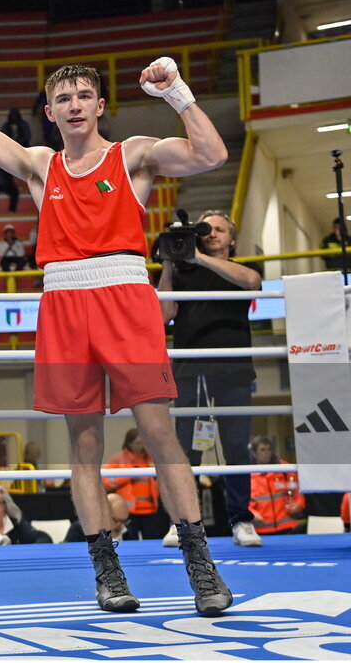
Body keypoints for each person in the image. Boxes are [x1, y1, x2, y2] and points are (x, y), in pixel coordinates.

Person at [0, 53, 232, 615]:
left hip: (124, 297)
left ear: (99, 106)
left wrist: (177, 93)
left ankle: (200, 565)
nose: (74, 105)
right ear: (50, 111)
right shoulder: (41, 164)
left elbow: (212, 154)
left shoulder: (133, 155)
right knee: (85, 445)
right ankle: (107, 572)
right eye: (63, 99)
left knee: (158, 432)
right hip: (64, 303)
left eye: (83, 96)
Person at [158, 209, 264, 548]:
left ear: (231, 239)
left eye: (220, 229)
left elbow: (253, 283)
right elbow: (163, 315)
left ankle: (242, 520)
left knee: (236, 446)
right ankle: (182, 522)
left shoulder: (241, 270)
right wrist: (170, 263)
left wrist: (200, 257)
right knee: (187, 449)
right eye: (206, 229)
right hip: (191, 369)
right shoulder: (183, 271)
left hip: (233, 369)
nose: (212, 233)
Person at [103, 428, 169, 540]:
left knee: (153, 541)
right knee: (130, 543)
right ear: (129, 443)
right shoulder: (118, 459)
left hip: (151, 510)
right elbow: (106, 482)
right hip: (129, 512)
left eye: (143, 443)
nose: (141, 446)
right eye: (137, 443)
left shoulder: (151, 459)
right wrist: (129, 474)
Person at [248, 436, 306, 535]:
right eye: (262, 450)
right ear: (254, 453)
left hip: (288, 527)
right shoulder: (247, 474)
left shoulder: (284, 469)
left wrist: (299, 504)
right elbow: (244, 502)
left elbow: (298, 491)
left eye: (269, 449)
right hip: (261, 529)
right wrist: (251, 514)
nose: (266, 453)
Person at [65, 493, 137, 543]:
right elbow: (68, 553)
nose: (122, 526)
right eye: (117, 521)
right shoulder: (79, 529)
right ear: (103, 514)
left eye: (125, 521)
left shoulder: (126, 531)